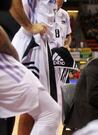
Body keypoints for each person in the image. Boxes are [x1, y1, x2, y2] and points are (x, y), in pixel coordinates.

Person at [0, 1, 61, 135]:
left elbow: (53, 8)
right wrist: (29, 26)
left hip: (44, 45)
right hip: (32, 44)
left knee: (43, 107)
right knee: (37, 108)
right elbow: (14, 4)